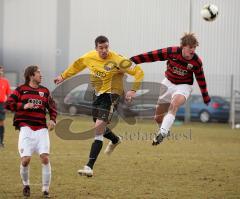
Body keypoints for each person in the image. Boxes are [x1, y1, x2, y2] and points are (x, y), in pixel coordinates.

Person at [54, 35, 144, 177]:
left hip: (112, 96)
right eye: (101, 48)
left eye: (106, 47)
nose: (104, 50)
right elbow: (77, 65)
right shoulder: (89, 57)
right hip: (97, 95)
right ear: (96, 48)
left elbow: (139, 72)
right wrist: (63, 76)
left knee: (97, 129)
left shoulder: (118, 60)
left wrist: (133, 90)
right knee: (98, 124)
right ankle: (115, 139)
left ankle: (89, 167)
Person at [130, 33, 211, 145]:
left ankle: (162, 132)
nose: (192, 50)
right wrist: (133, 60)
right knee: (158, 118)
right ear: (183, 46)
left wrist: (205, 95)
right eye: (190, 47)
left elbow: (200, 78)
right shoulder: (172, 52)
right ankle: (163, 128)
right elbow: (152, 55)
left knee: (174, 104)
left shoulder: (196, 62)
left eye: (194, 47)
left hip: (184, 86)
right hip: (168, 83)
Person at [5, 66, 57, 198]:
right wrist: (23, 105)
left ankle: (45, 189)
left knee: (45, 158)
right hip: (26, 129)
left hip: (41, 129)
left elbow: (52, 107)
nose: (41, 74)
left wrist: (52, 119)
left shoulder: (45, 91)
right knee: (25, 160)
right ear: (31, 75)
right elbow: (8, 104)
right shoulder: (20, 90)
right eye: (38, 72)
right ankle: (26, 185)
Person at [0, 66, 11, 148]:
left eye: (1, 71)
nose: (1, 72)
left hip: (1, 104)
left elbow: (8, 94)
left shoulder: (5, 81)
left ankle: (1, 141)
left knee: (1, 123)